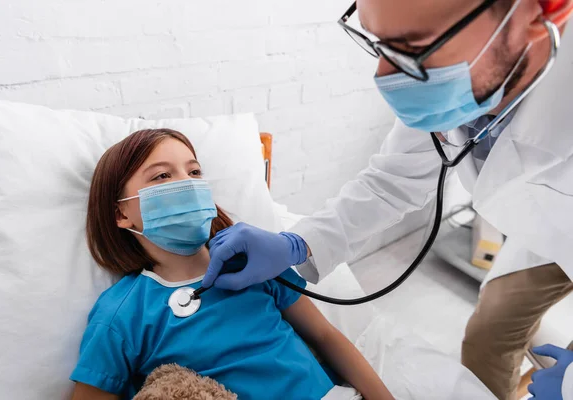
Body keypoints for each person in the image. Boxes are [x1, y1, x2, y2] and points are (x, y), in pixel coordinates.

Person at [203, 1, 573, 399]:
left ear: (542, 14)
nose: (385, 77)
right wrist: (298, 243)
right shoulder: (459, 80)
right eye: (381, 46)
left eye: (415, 49)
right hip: (542, 235)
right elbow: (392, 180)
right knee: (491, 332)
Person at [69, 128, 394, 400]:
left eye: (194, 172)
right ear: (121, 213)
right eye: (162, 176)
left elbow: (325, 336)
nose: (188, 183)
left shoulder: (255, 263)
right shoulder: (122, 314)